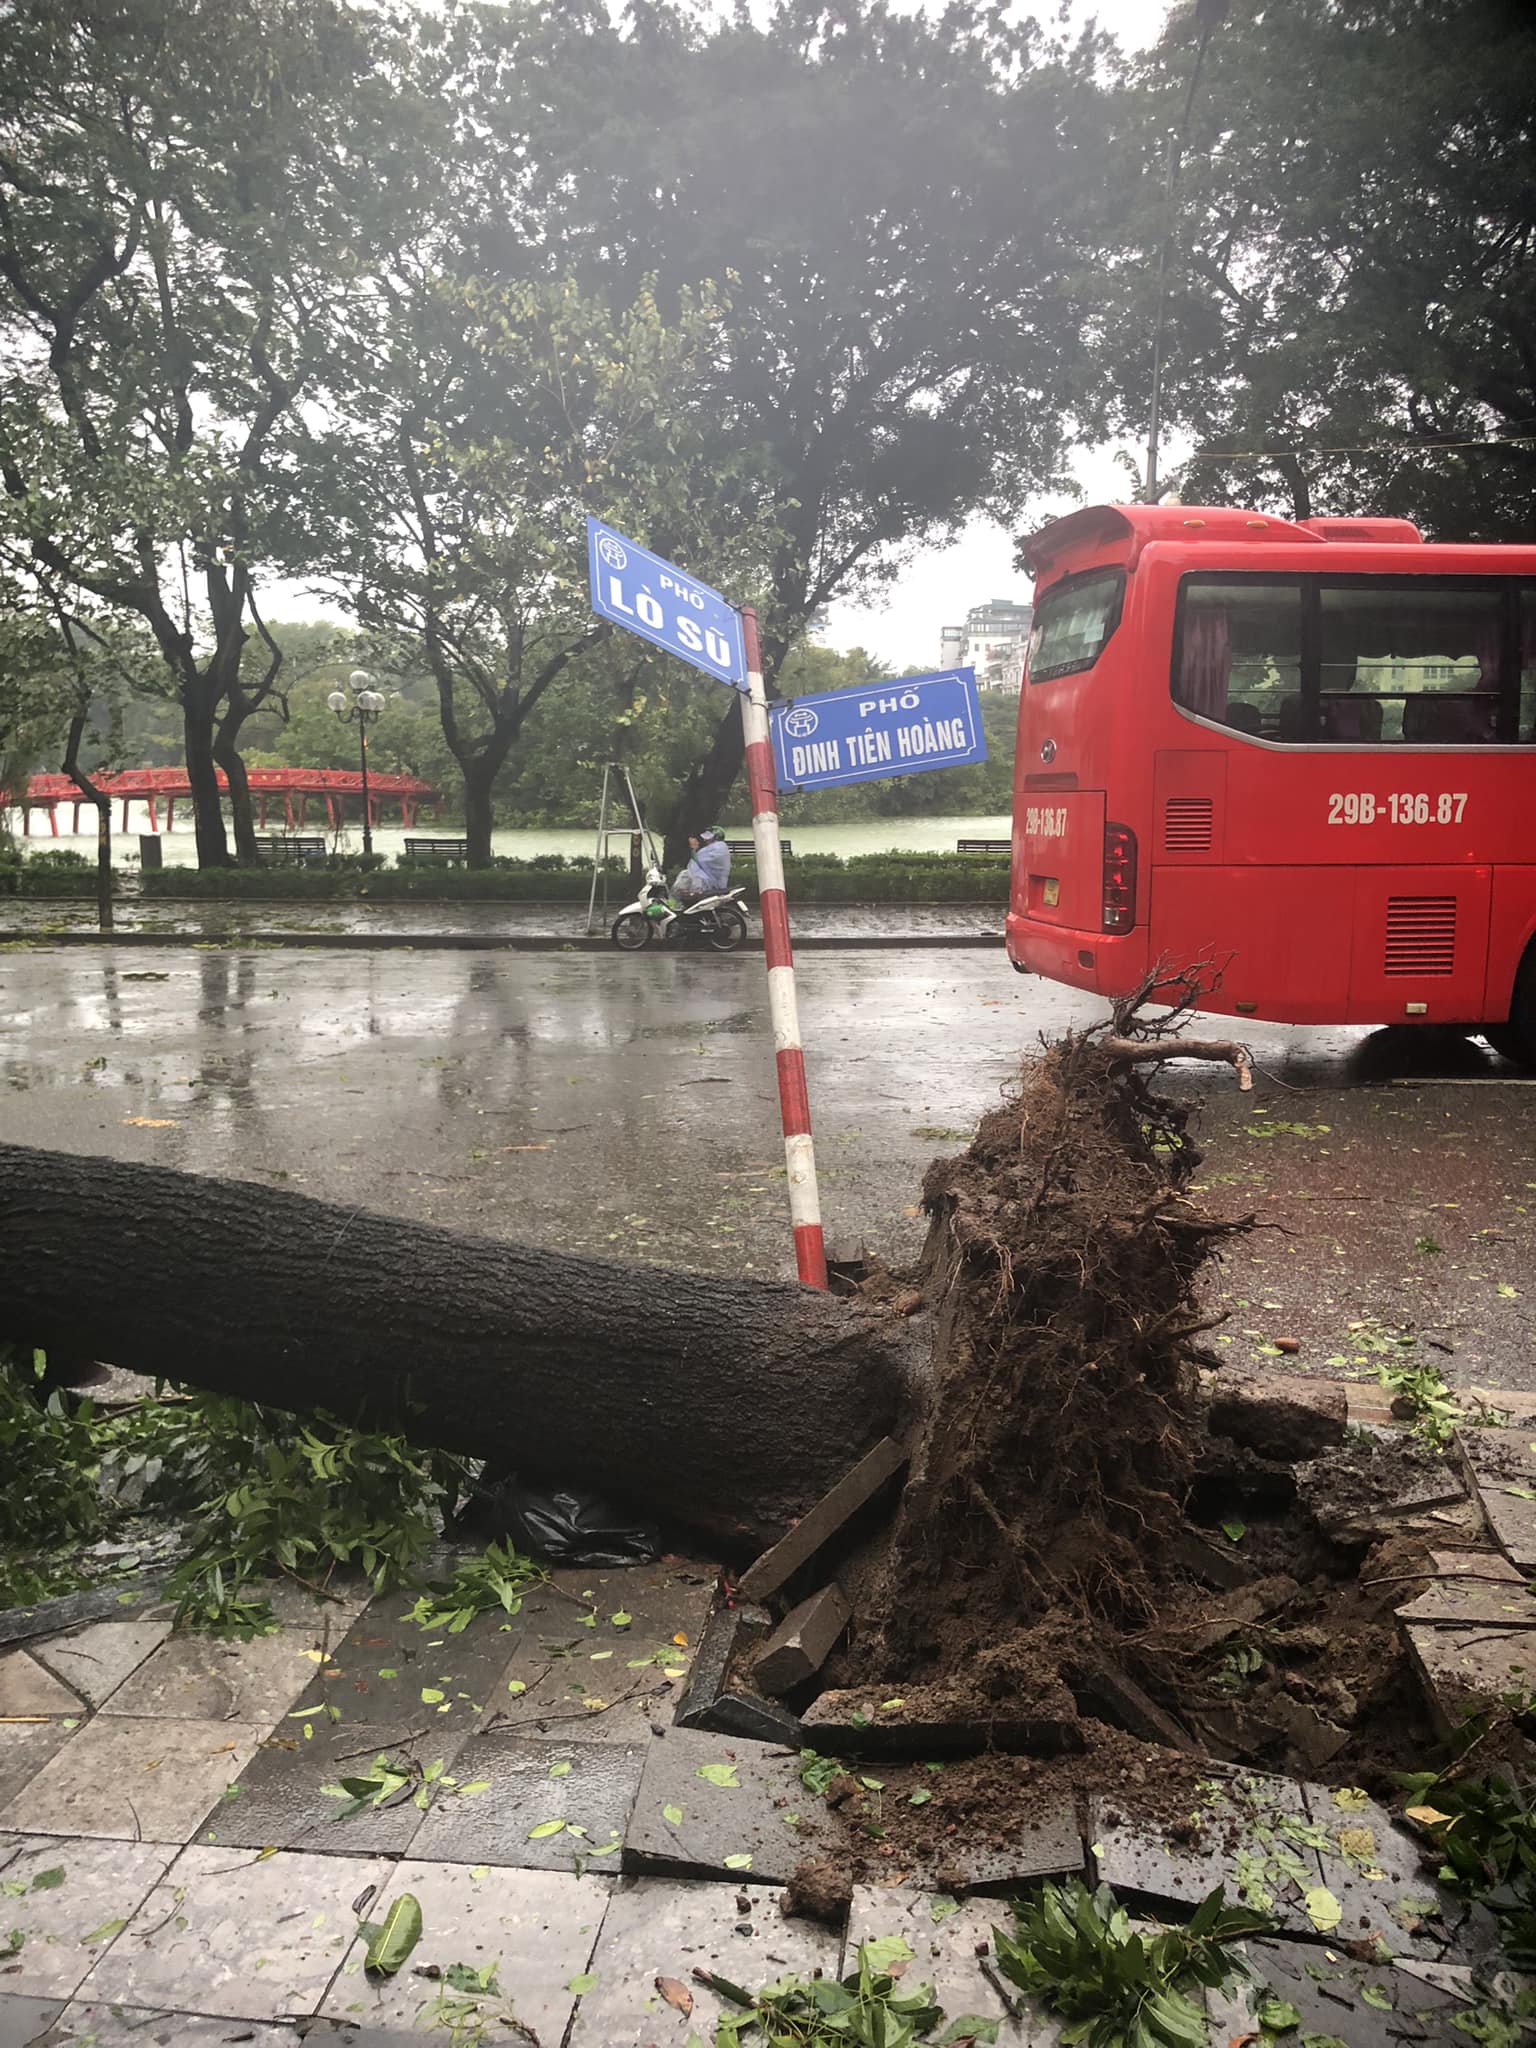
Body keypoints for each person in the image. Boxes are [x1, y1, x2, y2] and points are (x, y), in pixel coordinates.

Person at [672, 827, 731, 904]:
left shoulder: (717, 848)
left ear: (715, 837)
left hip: (711, 883)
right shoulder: (719, 847)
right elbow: (701, 864)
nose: (705, 840)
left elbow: (698, 861)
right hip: (712, 881)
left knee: (685, 876)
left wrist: (693, 848)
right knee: (685, 875)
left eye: (708, 838)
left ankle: (674, 903)